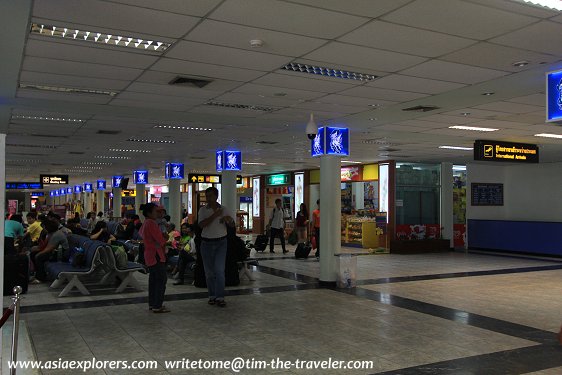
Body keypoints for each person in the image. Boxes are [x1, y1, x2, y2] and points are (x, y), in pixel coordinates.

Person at [198, 187, 234, 307]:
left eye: (211, 196)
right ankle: (212, 296)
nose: (209, 199)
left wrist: (228, 220)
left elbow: (232, 224)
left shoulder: (224, 209)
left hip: (221, 243)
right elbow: (202, 225)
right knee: (209, 272)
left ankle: (220, 297)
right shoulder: (203, 210)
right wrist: (215, 215)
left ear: (216, 196)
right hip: (206, 244)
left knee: (219, 270)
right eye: (207, 196)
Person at [139, 203, 169, 313]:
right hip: (155, 255)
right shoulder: (151, 223)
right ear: (149, 213)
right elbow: (161, 240)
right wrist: (165, 238)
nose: (158, 213)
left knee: (153, 280)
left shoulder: (146, 223)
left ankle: (152, 303)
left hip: (149, 254)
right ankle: (157, 305)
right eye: (156, 211)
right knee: (161, 280)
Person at [30, 218, 69, 282]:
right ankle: (38, 274)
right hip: (56, 252)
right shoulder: (51, 234)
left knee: (39, 257)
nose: (43, 229)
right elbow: (45, 246)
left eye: (44, 227)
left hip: (61, 255)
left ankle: (41, 277)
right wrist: (36, 249)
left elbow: (48, 248)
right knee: (34, 254)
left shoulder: (56, 235)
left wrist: (39, 253)